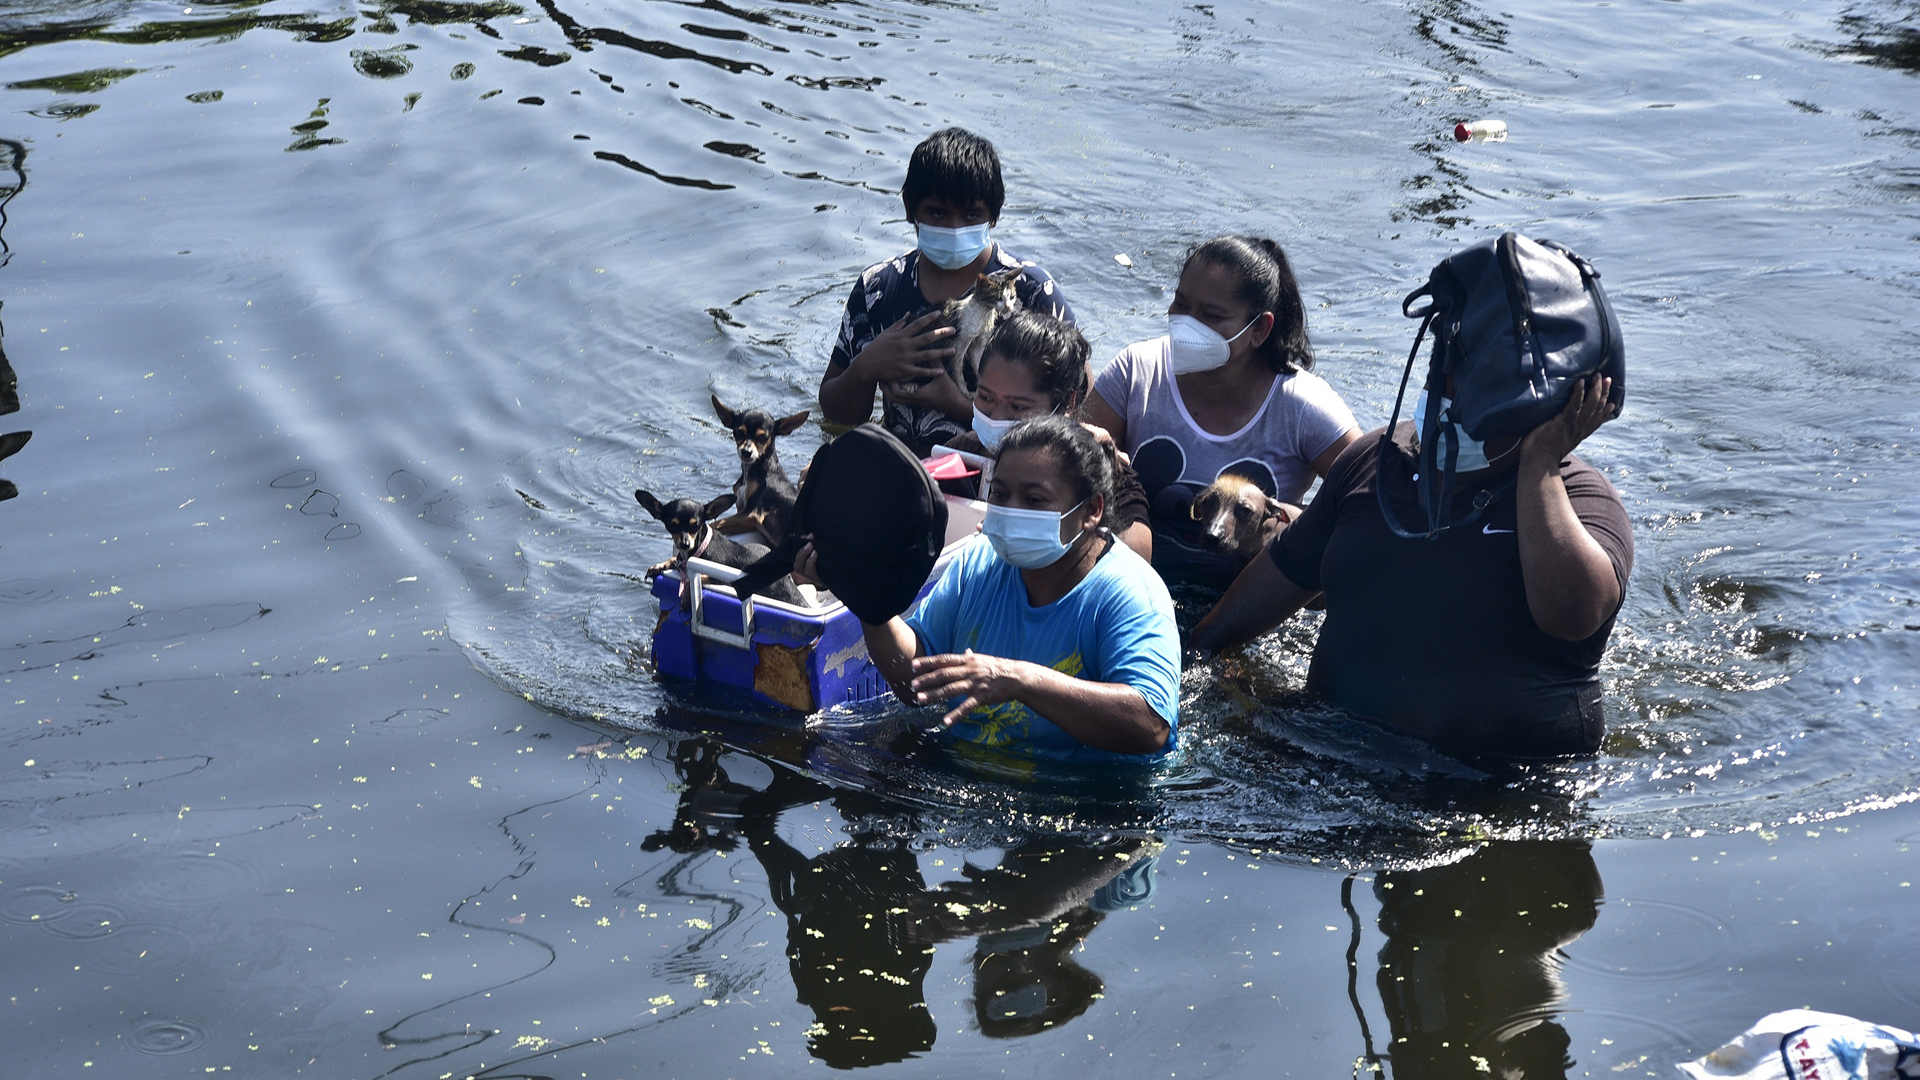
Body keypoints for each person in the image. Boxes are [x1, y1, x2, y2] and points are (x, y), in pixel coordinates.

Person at [1189, 374, 1632, 758]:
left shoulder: (1584, 501)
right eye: (1445, 371)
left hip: (1501, 784)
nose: (1449, 396)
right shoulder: (1372, 464)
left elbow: (1573, 615)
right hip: (1330, 747)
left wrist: (1540, 462)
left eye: (1480, 385)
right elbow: (1229, 621)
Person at [804, 416, 1179, 758]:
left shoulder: (1129, 594)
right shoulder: (979, 562)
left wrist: (1020, 680)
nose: (1011, 510)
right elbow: (917, 680)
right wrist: (867, 599)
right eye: (1000, 494)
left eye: (1033, 500)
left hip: (1091, 809)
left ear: (1090, 511)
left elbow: (1150, 726)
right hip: (968, 772)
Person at [1083, 235, 1360, 584]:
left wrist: (1294, 525)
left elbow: (1374, 504)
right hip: (1138, 582)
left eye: (1211, 316)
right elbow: (1063, 477)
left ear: (1259, 329)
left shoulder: (1303, 406)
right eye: (1180, 304)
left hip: (1243, 599)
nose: (1187, 323)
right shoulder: (1137, 372)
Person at [818, 127, 1075, 458]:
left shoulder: (1031, 291)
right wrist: (866, 367)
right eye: (937, 213)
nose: (955, 229)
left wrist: (957, 404)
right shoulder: (878, 289)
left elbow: (1078, 416)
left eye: (971, 216)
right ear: (910, 209)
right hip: (902, 466)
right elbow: (837, 414)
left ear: (994, 213)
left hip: (1003, 478)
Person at [939, 310, 1154, 561]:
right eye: (985, 397)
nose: (996, 417)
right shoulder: (959, 454)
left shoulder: (1101, 473)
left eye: (1017, 407)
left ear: (1066, 403)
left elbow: (1137, 557)